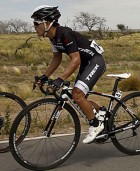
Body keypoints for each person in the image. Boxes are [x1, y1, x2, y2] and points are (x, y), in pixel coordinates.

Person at [31, 5, 106, 144]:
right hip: (86, 64)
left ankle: (96, 125)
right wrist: (45, 76)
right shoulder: (52, 37)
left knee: (77, 94)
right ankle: (101, 112)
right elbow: (56, 58)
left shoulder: (64, 33)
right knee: (76, 98)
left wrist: (61, 79)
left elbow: (75, 59)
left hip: (95, 61)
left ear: (47, 23)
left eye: (36, 23)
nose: (34, 27)